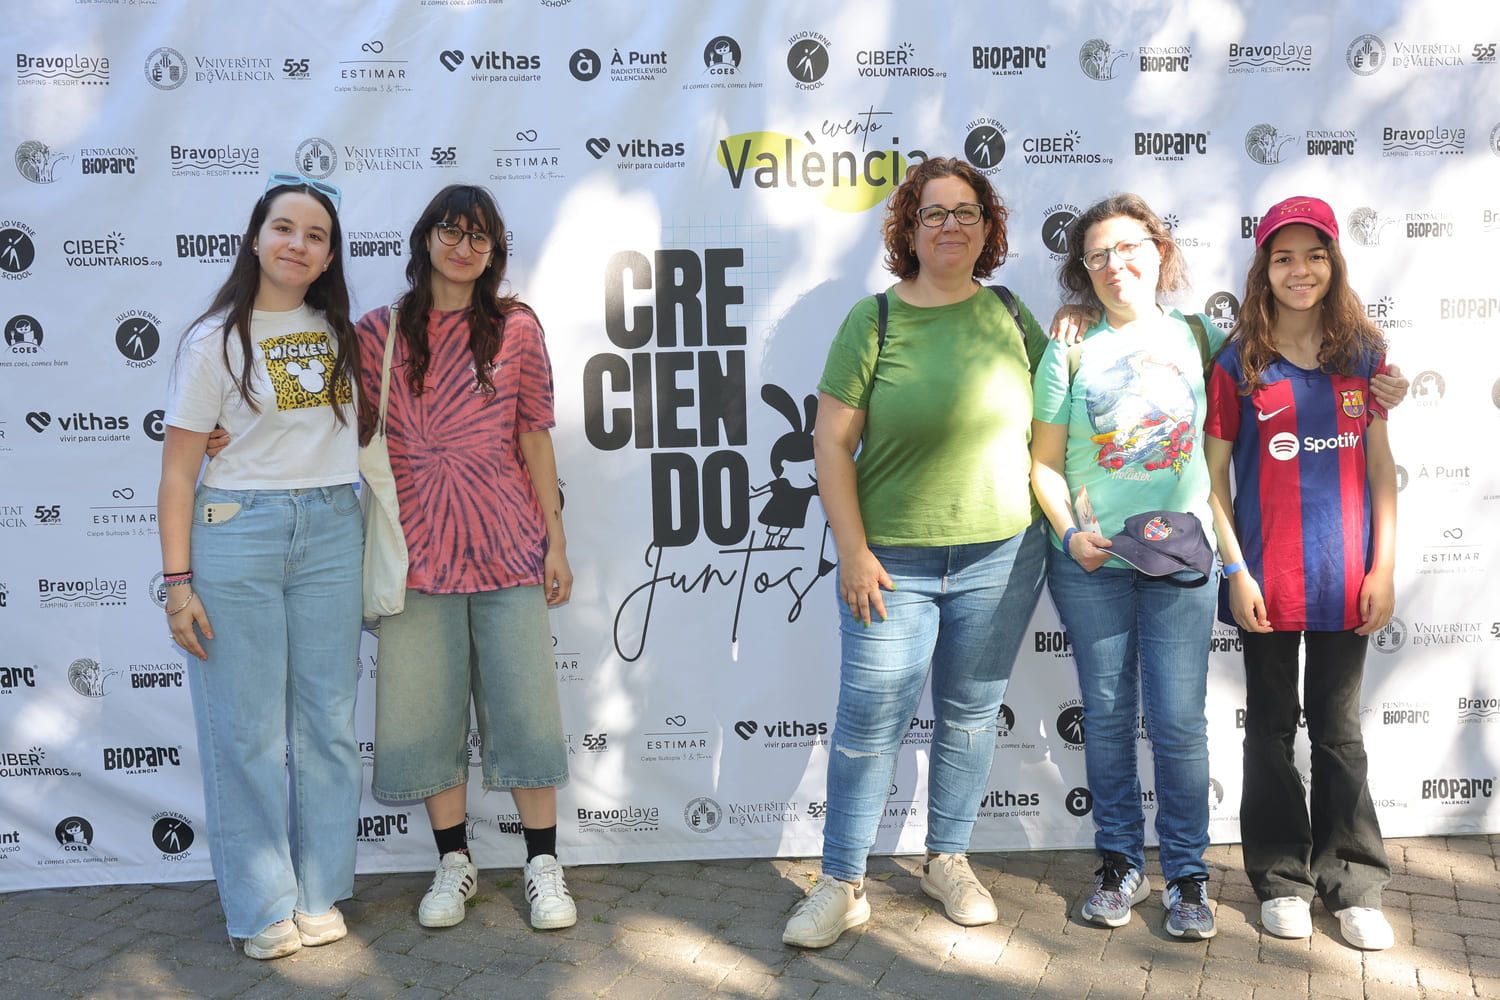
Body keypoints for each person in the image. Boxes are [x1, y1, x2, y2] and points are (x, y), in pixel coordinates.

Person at [782, 157, 1050, 949]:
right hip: (891, 563)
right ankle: (842, 881)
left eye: (967, 213)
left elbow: (1064, 409)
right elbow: (830, 447)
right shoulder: (876, 322)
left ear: (988, 228)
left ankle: (948, 857)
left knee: (969, 718)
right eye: (934, 214)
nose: (951, 227)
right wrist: (854, 552)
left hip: (1002, 554)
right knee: (869, 725)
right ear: (908, 227)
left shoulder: (1009, 313)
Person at [158, 172, 366, 960]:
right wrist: (178, 587)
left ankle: (319, 891)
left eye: (316, 235)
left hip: (332, 530)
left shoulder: (344, 332)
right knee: (243, 731)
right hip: (236, 533)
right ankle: (260, 904)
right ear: (256, 237)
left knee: (327, 725)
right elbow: (178, 471)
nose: (298, 244)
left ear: (328, 255)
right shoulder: (212, 340)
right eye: (285, 228)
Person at [358, 185, 576, 931]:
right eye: (452, 230)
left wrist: (555, 538)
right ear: (426, 239)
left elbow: (536, 435)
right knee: (424, 721)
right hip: (414, 561)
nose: (464, 246)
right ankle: (455, 862)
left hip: (509, 549)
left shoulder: (516, 329)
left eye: (480, 237)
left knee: (526, 713)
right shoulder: (376, 335)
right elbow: (317, 423)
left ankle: (543, 863)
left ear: (494, 253)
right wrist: (227, 433)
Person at [1030, 192, 1229, 940]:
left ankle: (1187, 877)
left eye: (1130, 247)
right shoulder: (1069, 348)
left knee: (1177, 722)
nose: (1117, 264)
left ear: (1160, 251)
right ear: (1084, 272)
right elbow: (1043, 464)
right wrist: (1068, 531)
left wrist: (1377, 385)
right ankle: (1119, 864)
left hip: (1180, 553)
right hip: (1093, 559)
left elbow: (1281, 381)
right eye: (1098, 255)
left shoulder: (1201, 336)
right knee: (1109, 717)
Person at [1204, 196, 1396, 950]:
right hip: (1267, 582)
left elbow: (1382, 468)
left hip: (1348, 578)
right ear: (1264, 269)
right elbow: (1213, 480)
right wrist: (1237, 570)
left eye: (1313, 255)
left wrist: (1383, 563)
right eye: (1283, 257)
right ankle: (1282, 878)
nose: (1299, 270)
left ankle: (1352, 882)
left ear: (1334, 263)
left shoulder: (1366, 356)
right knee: (1272, 732)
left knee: (1341, 734)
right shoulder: (1236, 362)